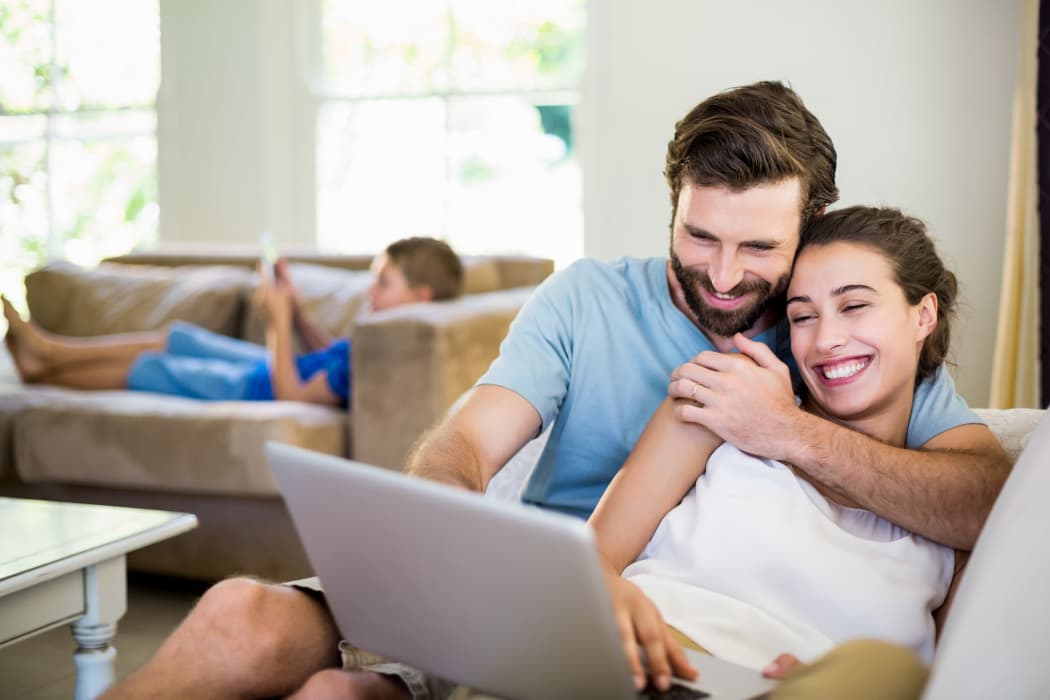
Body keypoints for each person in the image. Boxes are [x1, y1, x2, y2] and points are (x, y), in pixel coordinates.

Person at [100, 82, 1010, 700]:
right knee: (235, 619)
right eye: (699, 236)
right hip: (524, 583)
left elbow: (977, 502)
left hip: (650, 626)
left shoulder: (829, 347)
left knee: (337, 692)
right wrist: (452, 519)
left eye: (760, 250)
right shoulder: (586, 297)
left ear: (806, 230)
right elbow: (465, 445)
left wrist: (786, 430)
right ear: (673, 204)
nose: (725, 277)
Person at [591, 205, 970, 698]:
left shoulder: (954, 518)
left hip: (788, 691)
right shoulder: (722, 406)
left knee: (884, 670)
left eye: (854, 306)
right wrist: (611, 599)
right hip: (642, 661)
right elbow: (588, 563)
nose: (827, 340)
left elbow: (964, 679)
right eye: (803, 316)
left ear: (923, 315)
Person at [3, 236, 462, 408]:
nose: (370, 290)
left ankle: (45, 368)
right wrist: (299, 314)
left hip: (258, 387)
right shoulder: (384, 336)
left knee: (155, 367)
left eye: (383, 283)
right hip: (268, 370)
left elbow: (294, 395)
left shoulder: (391, 353)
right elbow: (328, 356)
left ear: (420, 297)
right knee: (179, 338)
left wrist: (277, 324)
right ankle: (52, 350)